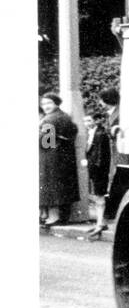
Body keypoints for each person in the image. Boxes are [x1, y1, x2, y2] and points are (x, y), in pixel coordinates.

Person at [38, 92, 80, 227]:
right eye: (43, 104)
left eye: (48, 103)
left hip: (51, 159)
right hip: (65, 158)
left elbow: (45, 142)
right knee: (63, 188)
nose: (45, 106)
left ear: (56, 103)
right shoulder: (66, 117)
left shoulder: (49, 119)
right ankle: (62, 217)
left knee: (52, 189)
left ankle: (53, 218)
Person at [84, 87, 119, 239]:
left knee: (99, 197)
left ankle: (100, 223)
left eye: (89, 120)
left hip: (100, 169)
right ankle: (100, 222)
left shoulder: (100, 133)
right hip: (100, 168)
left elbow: (100, 156)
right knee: (98, 197)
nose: (100, 103)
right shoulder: (96, 131)